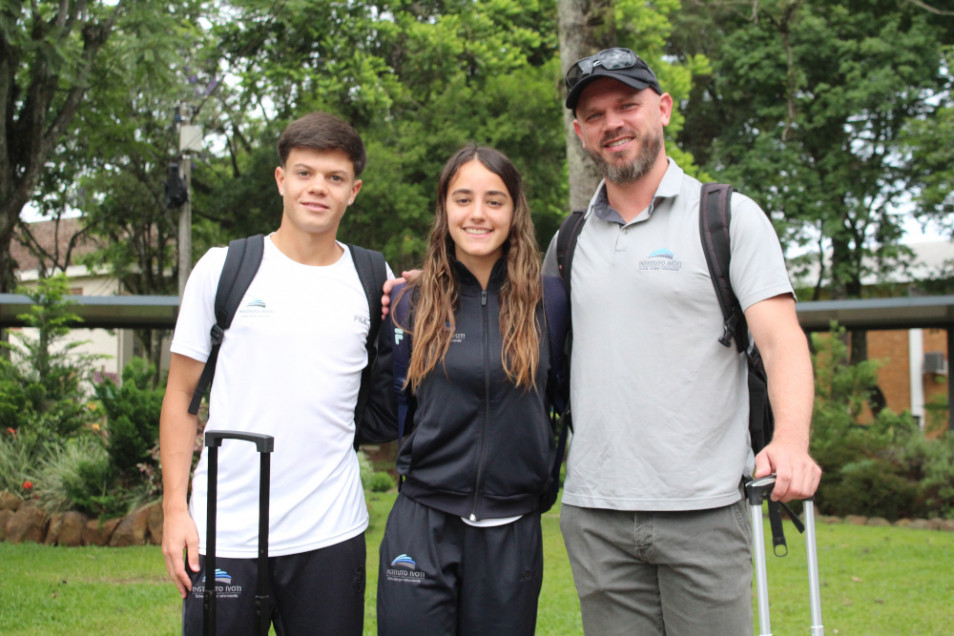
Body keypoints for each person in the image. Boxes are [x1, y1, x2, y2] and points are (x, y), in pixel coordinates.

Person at [540, 48, 822, 635]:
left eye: (628, 105)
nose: (612, 123)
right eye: (595, 114)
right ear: (580, 132)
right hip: (596, 514)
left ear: (663, 109)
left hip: (707, 511)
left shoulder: (728, 218)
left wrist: (791, 442)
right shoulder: (568, 241)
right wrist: (430, 282)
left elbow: (781, 339)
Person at [159, 111, 395, 636]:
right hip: (227, 530)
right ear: (280, 179)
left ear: (353, 191)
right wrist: (176, 510)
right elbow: (180, 399)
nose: (318, 188)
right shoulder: (224, 268)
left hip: (330, 535)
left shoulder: (372, 276)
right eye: (305, 172)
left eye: (335, 178)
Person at [376, 145, 567, 636]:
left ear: (515, 210)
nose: (477, 214)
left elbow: (567, 400)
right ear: (444, 208)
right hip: (423, 520)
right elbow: (390, 402)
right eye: (463, 199)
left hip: (512, 526)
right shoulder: (407, 301)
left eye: (494, 200)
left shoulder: (553, 302)